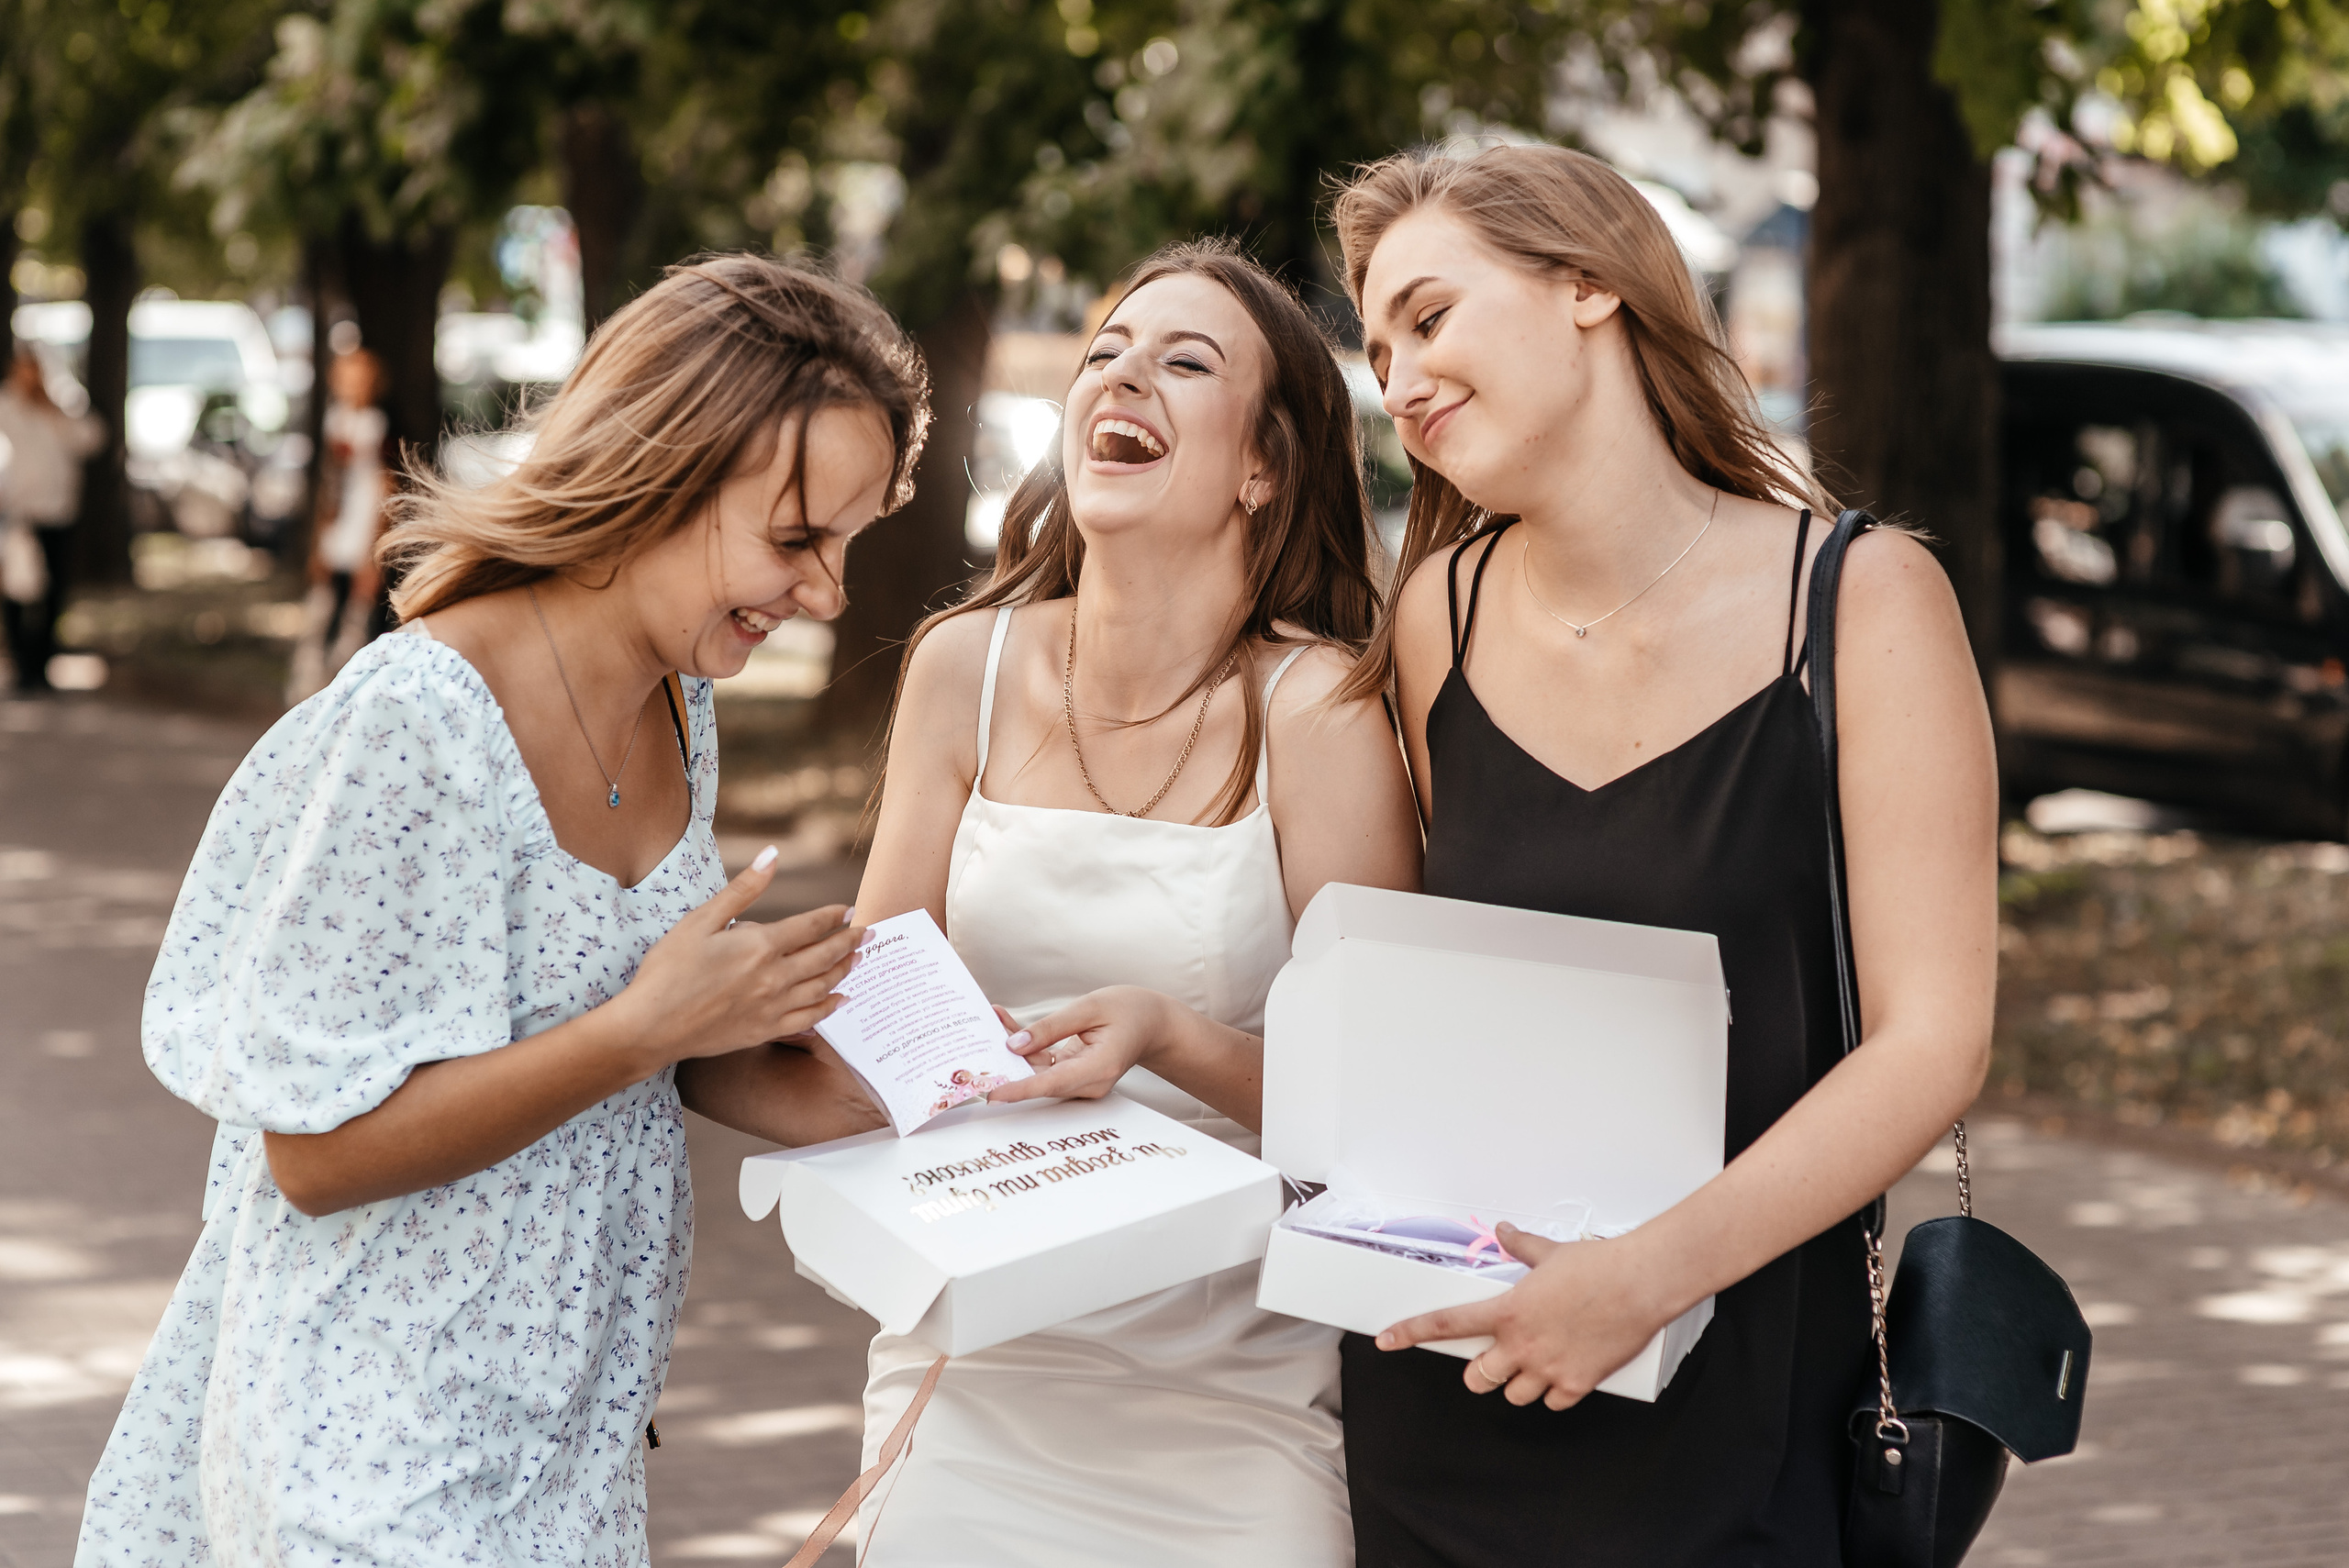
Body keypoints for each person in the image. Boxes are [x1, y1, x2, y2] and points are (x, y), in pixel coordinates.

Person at [76, 256, 930, 1567]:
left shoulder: (680, 702)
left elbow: (628, 1039)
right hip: (368, 1453)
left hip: (566, 1451)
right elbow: (315, 1156)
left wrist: (873, 1082)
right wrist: (649, 1029)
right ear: (662, 472)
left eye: (847, 544)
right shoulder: (416, 725)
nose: (826, 593)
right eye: (797, 538)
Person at [683, 239, 1422, 1565]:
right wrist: (712, 1006)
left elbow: (1389, 1118)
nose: (1121, 377)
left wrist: (1171, 1036)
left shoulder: (1318, 709)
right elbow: (874, 1021)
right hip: (976, 1364)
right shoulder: (961, 666)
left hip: (1235, 1392)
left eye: (1183, 362)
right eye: (1104, 353)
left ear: (1263, 465)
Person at [1328, 146, 1997, 1564]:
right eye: (1380, 353)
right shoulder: (1438, 614)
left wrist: (1645, 1277)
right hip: (1454, 1396)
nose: (1401, 381)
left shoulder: (1863, 600)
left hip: (1745, 1416)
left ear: (1589, 287)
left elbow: (1934, 1044)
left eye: (1430, 319)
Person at [286, 345, 395, 704]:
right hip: (338, 527)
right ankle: (307, 687)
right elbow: (330, 485)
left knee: (357, 616)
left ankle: (346, 691)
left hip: (365, 526)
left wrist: (375, 547)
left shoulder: (379, 425)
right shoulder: (335, 421)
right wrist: (320, 537)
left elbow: (386, 486)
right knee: (321, 607)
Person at [0, 342, 105, 694]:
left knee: (55, 591)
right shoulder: (8, 404)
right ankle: (21, 667)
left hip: (58, 511)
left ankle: (42, 664)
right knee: (19, 590)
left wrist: (57, 410)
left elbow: (93, 439)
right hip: (22, 513)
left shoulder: (62, 404)